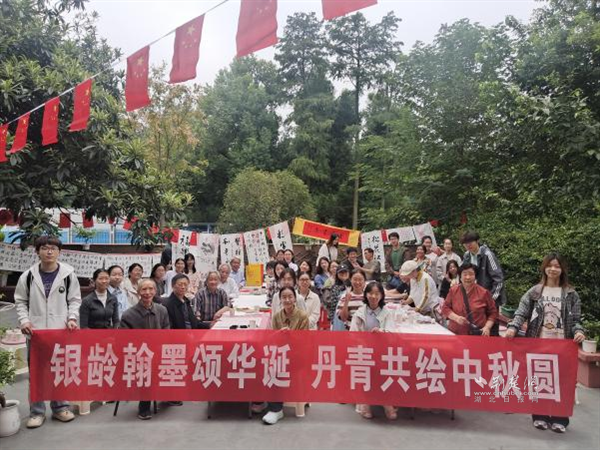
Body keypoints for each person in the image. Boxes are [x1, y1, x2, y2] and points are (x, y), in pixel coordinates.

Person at [505, 253, 585, 433]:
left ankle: (560, 418)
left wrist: (579, 331)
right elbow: (521, 312)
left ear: (562, 269)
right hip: (538, 344)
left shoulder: (571, 294)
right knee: (539, 379)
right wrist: (513, 327)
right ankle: (539, 415)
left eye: (557, 266)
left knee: (561, 381)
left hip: (563, 346)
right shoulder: (535, 292)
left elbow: (577, 320)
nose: (553, 269)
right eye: (550, 265)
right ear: (544, 268)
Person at [15, 236, 81, 429]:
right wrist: (24, 321)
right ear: (37, 252)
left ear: (59, 252)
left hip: (60, 331)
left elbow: (75, 300)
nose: (49, 251)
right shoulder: (28, 276)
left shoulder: (68, 275)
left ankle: (60, 408)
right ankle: (36, 412)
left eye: (53, 248)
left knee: (59, 370)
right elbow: (20, 301)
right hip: (36, 333)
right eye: (44, 248)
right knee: (37, 373)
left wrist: (72, 318)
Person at [119, 278, 170, 420]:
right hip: (138, 355)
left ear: (155, 291)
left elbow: (167, 331)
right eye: (144, 289)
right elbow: (124, 340)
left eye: (151, 289)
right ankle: (144, 406)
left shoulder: (162, 310)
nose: (147, 292)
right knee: (146, 366)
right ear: (138, 292)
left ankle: (169, 396)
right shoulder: (128, 314)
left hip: (158, 351)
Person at [261, 287, 309, 425]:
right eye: (284, 297)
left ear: (295, 299)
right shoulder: (277, 316)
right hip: (280, 353)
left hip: (297, 355)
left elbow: (304, 341)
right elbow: (273, 339)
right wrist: (279, 336)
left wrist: (291, 336)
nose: (287, 300)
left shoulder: (302, 316)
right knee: (262, 363)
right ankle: (260, 402)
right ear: (280, 299)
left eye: (290, 297)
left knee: (277, 368)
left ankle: (276, 409)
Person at [350, 282, 397, 420]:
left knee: (385, 373)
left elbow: (391, 332)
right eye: (371, 293)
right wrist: (363, 344)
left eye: (377, 293)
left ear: (382, 295)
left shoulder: (387, 313)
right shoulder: (359, 313)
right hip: (363, 351)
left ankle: (386, 403)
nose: (374, 296)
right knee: (365, 371)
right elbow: (353, 334)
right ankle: (365, 405)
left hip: (382, 351)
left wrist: (381, 332)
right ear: (366, 295)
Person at [441, 263, 498, 336]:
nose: (468, 277)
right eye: (465, 274)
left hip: (476, 335)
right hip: (455, 334)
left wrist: (487, 327)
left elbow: (493, 312)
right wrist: (456, 318)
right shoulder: (453, 290)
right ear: (460, 277)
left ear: (475, 277)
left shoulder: (484, 293)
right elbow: (445, 308)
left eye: (471, 274)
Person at [460, 231, 506, 307]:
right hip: (474, 298)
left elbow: (498, 279)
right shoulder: (466, 256)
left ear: (477, 241)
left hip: (489, 298)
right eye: (465, 243)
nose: (468, 245)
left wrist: (490, 299)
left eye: (470, 242)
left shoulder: (487, 255)